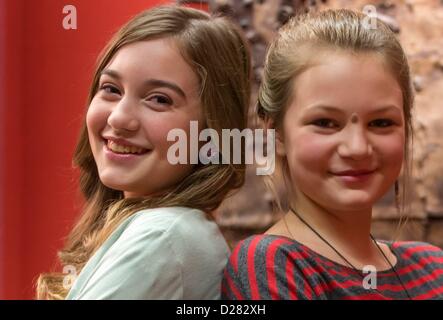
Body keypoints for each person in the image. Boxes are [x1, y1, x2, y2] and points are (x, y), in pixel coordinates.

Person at [222, 9, 443, 300]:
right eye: (325, 123)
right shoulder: (273, 264)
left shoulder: (433, 265)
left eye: (381, 122)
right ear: (275, 134)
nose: (357, 148)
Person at [37, 5, 251, 300]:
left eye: (159, 99)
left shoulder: (162, 236)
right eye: (111, 89)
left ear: (212, 132)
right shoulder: (171, 230)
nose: (118, 118)